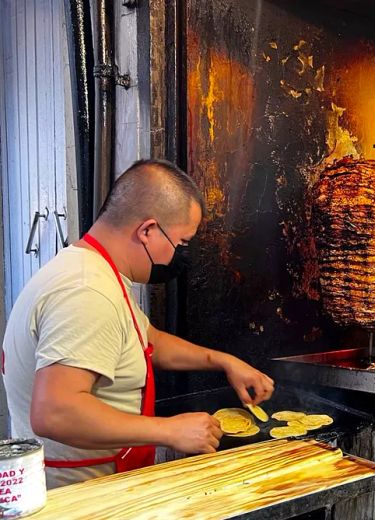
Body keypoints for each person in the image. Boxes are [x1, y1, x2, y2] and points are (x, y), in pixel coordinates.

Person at [2, 159, 275, 489]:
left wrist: (222, 361)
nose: (181, 255)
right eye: (182, 243)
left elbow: (146, 339)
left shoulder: (95, 271)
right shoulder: (87, 291)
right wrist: (169, 430)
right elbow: (55, 412)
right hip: (79, 499)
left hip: (103, 488)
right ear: (147, 231)